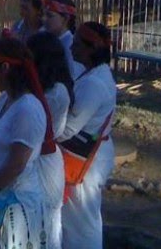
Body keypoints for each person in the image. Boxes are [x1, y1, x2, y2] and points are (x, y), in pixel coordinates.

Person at [0, 36, 56, 249]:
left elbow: (17, 164)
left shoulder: (28, 109)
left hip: (16, 204)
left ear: (5, 68)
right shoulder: (4, 100)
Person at [58, 22, 117, 249]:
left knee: (81, 219)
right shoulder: (95, 74)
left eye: (76, 44)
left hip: (87, 158)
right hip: (89, 150)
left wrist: (47, 131)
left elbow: (70, 128)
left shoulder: (94, 83)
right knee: (79, 216)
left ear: (91, 49)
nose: (71, 48)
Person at [27, 32, 75, 249]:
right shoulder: (39, 89)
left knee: (45, 222)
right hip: (36, 158)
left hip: (43, 162)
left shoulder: (56, 92)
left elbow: (42, 130)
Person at [42, 0, 84, 79]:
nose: (43, 19)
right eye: (44, 15)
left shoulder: (71, 48)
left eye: (49, 16)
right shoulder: (49, 42)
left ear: (65, 19)